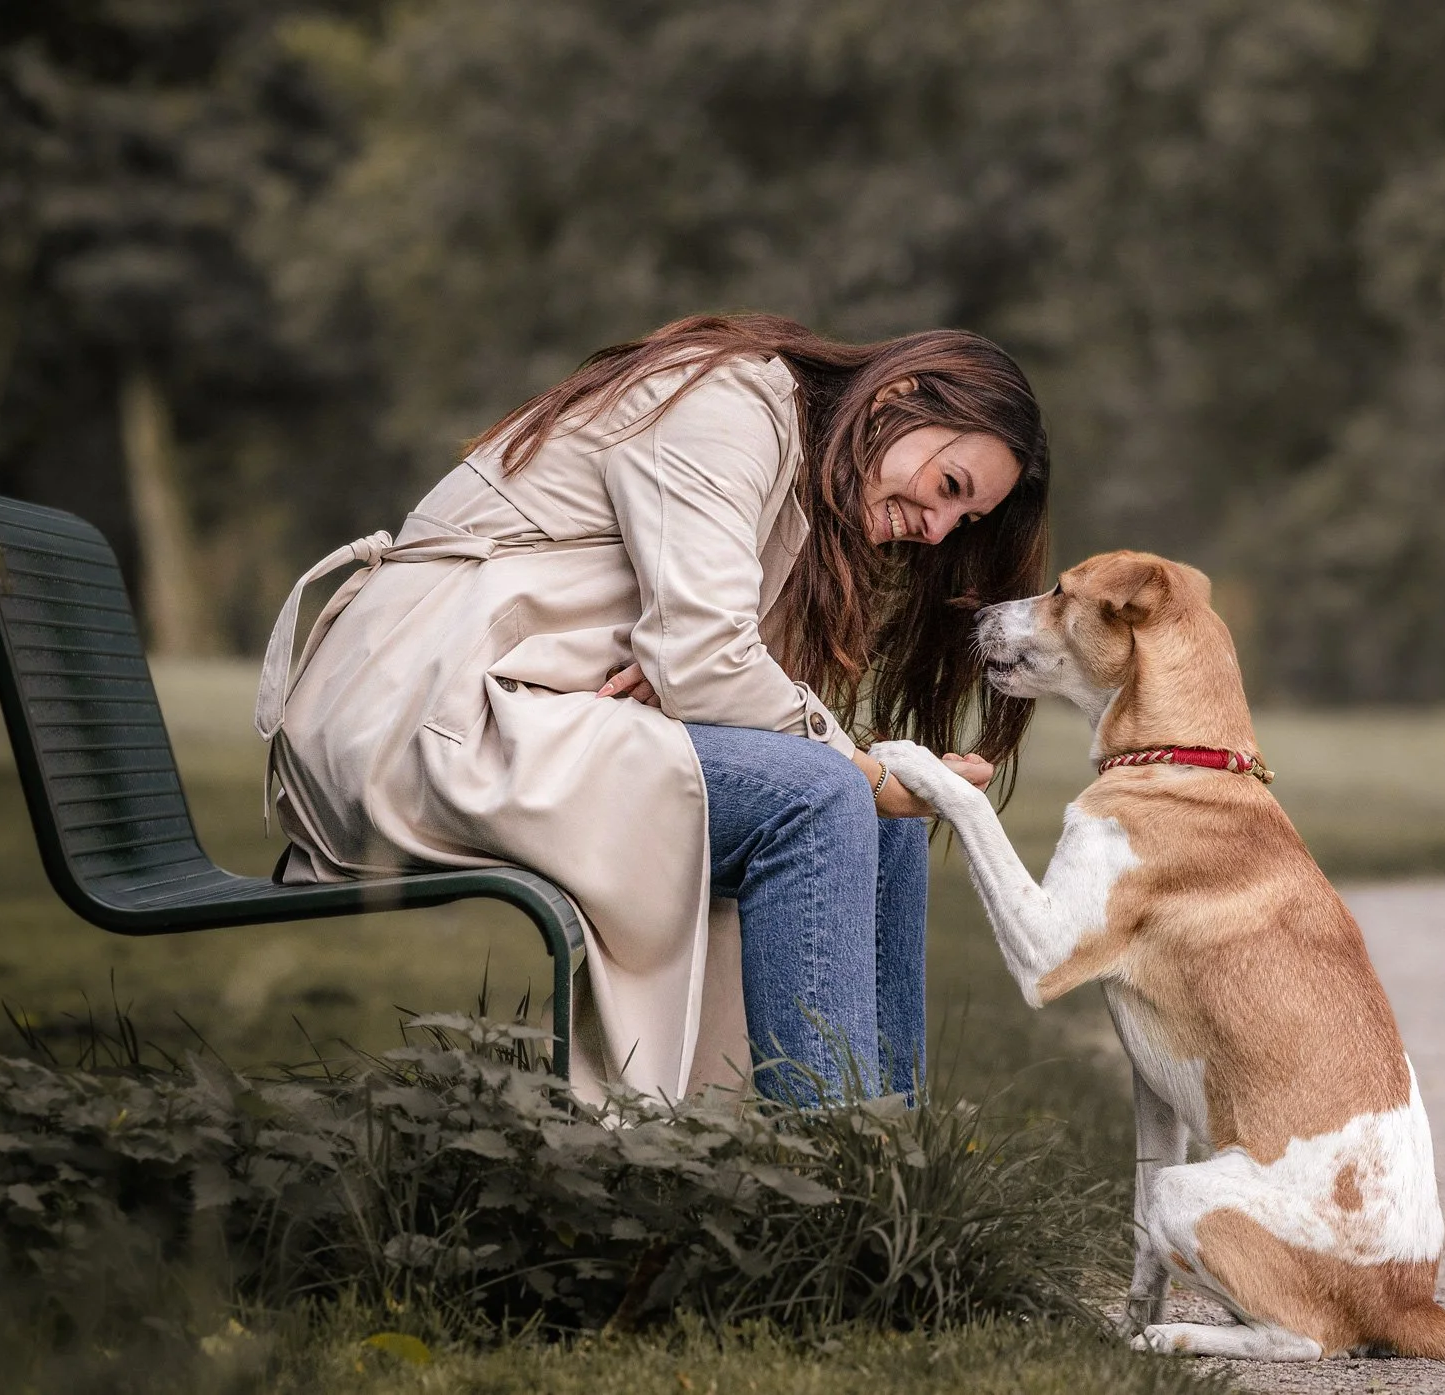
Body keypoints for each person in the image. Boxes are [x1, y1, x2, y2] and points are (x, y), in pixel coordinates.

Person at [254, 314, 1050, 1104]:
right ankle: (828, 1171)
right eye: (949, 487)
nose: (939, 529)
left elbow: (703, 665)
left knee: (880, 818)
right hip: (413, 715)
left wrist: (699, 672)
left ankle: (888, 1176)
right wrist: (863, 767)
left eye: (965, 521)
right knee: (825, 795)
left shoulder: (790, 480)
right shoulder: (731, 403)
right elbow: (707, 661)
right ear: (898, 396)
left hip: (522, 709)